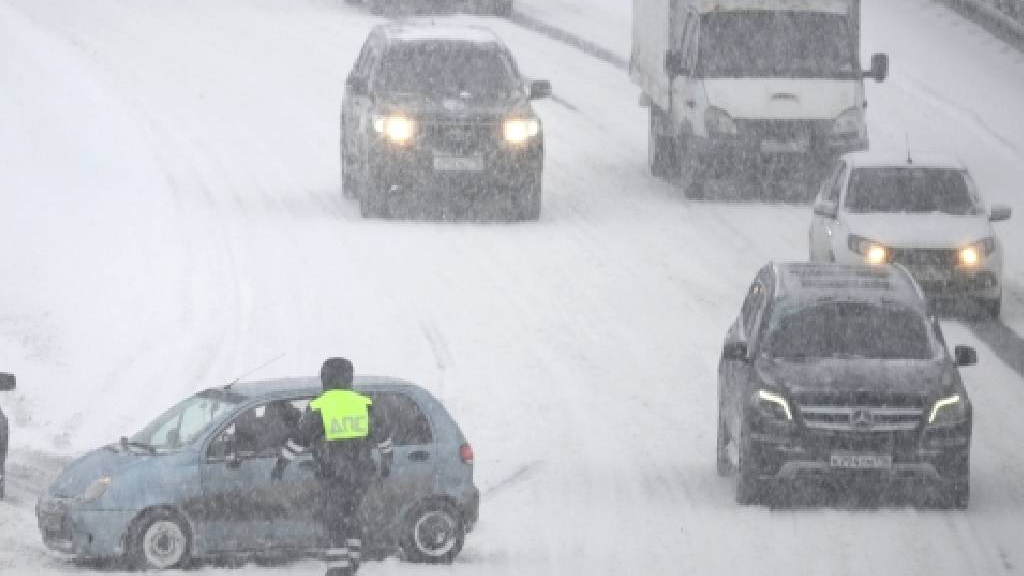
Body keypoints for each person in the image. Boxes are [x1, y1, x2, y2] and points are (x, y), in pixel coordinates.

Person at [272, 358, 393, 576]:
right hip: (362, 474)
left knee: (334, 520)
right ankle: (353, 562)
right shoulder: (364, 403)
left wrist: (281, 464)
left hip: (333, 475)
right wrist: (387, 463)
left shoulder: (320, 405)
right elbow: (384, 438)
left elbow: (299, 439)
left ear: (325, 378)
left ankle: (338, 569)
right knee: (352, 516)